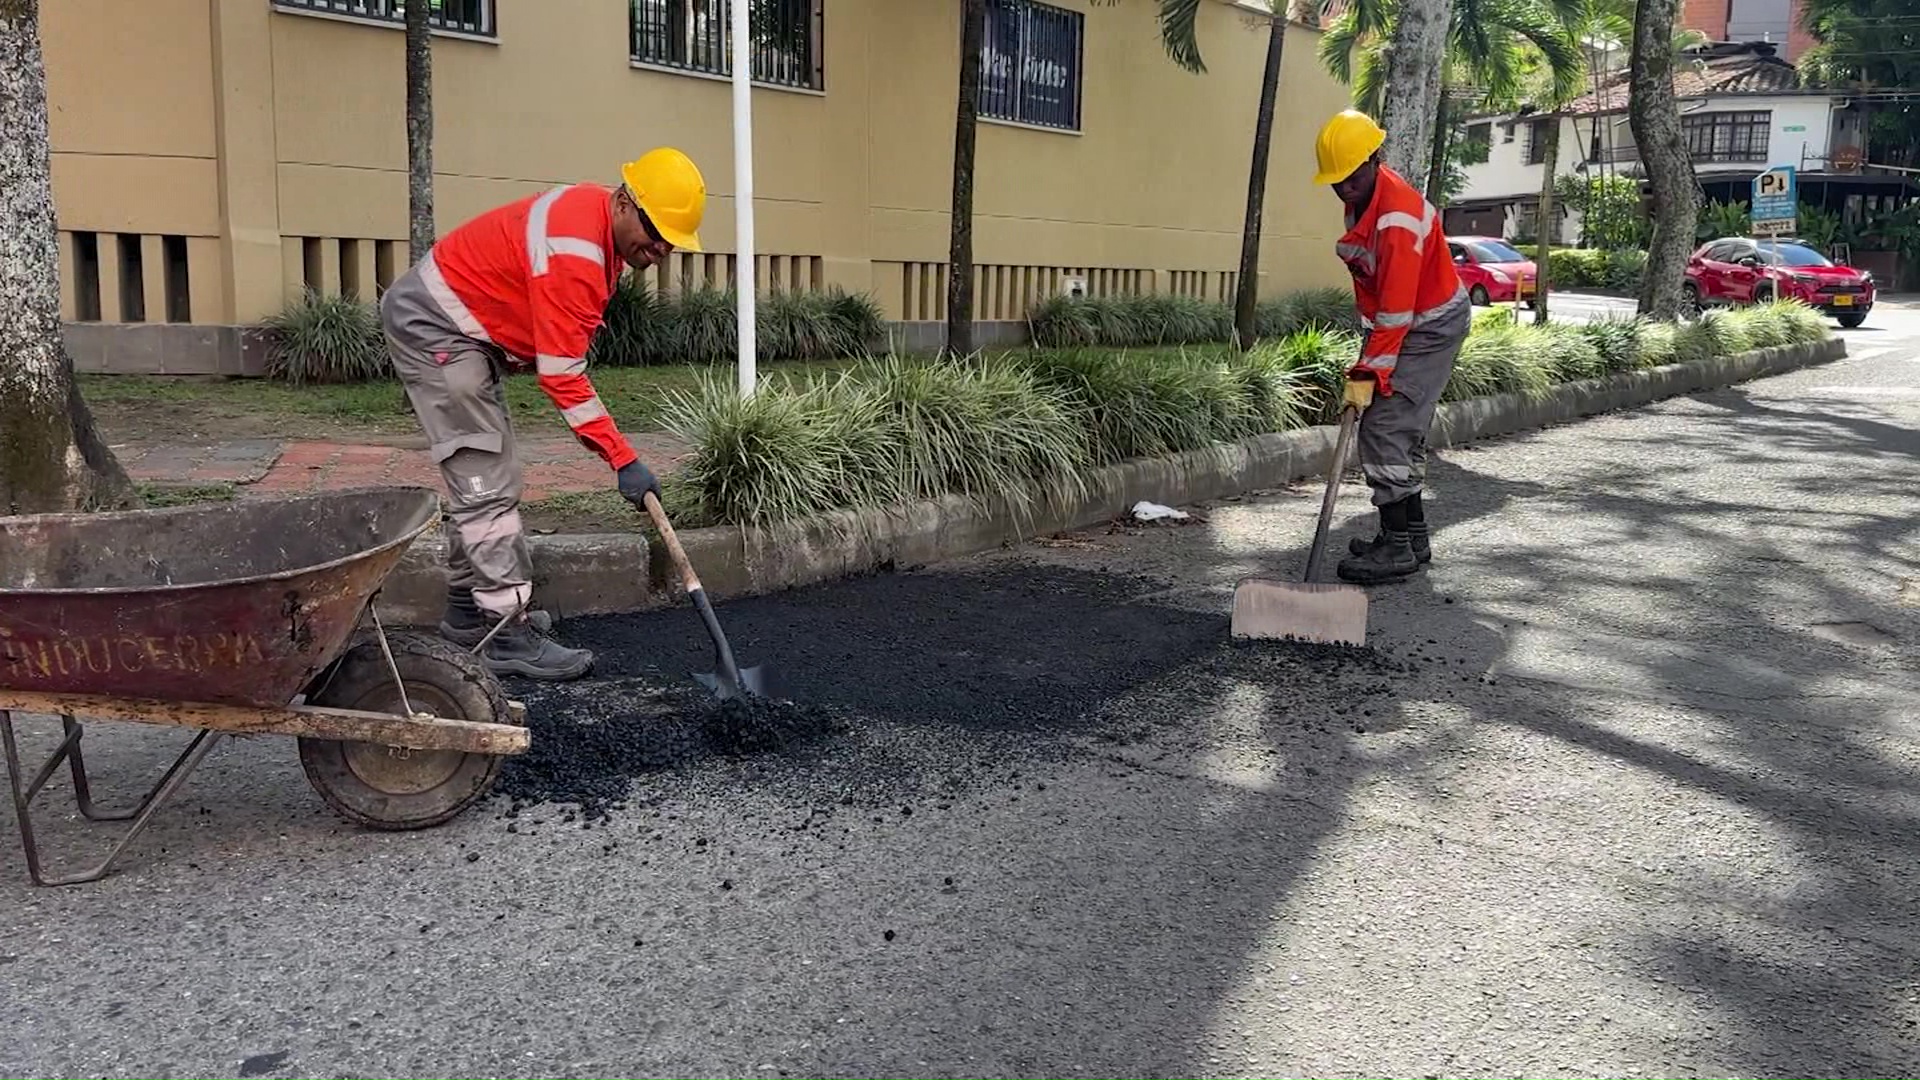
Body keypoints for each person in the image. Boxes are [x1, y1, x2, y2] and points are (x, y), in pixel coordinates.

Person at [379, 148, 707, 681]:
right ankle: (504, 635)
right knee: (484, 479)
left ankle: (469, 617)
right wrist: (623, 459)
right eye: (656, 229)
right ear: (625, 203)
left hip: (460, 330)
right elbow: (562, 377)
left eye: (672, 238)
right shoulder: (577, 250)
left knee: (489, 473)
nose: (662, 247)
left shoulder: (595, 223)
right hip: (437, 329)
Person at [1312, 110, 1472, 585]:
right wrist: (1371, 360)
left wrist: (1369, 371)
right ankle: (1411, 536)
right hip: (1414, 322)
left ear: (1374, 159)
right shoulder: (1368, 197)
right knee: (1398, 429)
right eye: (1335, 181)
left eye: (1351, 178)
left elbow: (1398, 311)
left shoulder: (1396, 219)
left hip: (1429, 326)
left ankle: (1396, 546)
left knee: (1384, 429)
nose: (1343, 189)